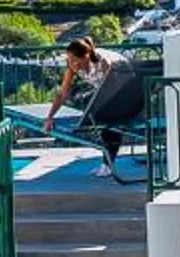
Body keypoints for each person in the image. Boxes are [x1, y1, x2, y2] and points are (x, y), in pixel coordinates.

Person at [45, 36, 146, 179]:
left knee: (111, 124)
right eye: (69, 59)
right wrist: (50, 116)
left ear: (86, 56)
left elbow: (114, 88)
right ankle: (107, 164)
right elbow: (62, 94)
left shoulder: (102, 62)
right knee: (106, 122)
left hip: (128, 87)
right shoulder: (72, 68)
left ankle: (107, 164)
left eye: (74, 59)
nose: (71, 63)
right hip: (111, 91)